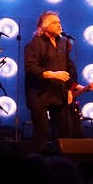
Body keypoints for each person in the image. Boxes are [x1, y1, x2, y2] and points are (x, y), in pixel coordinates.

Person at [23, 10, 72, 153]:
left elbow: (68, 68)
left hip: (58, 93)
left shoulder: (63, 43)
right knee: (42, 132)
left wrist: (69, 89)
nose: (59, 25)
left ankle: (60, 161)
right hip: (40, 94)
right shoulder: (35, 43)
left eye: (59, 22)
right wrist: (51, 74)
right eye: (54, 23)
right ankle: (38, 161)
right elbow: (30, 66)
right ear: (45, 26)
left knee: (63, 130)